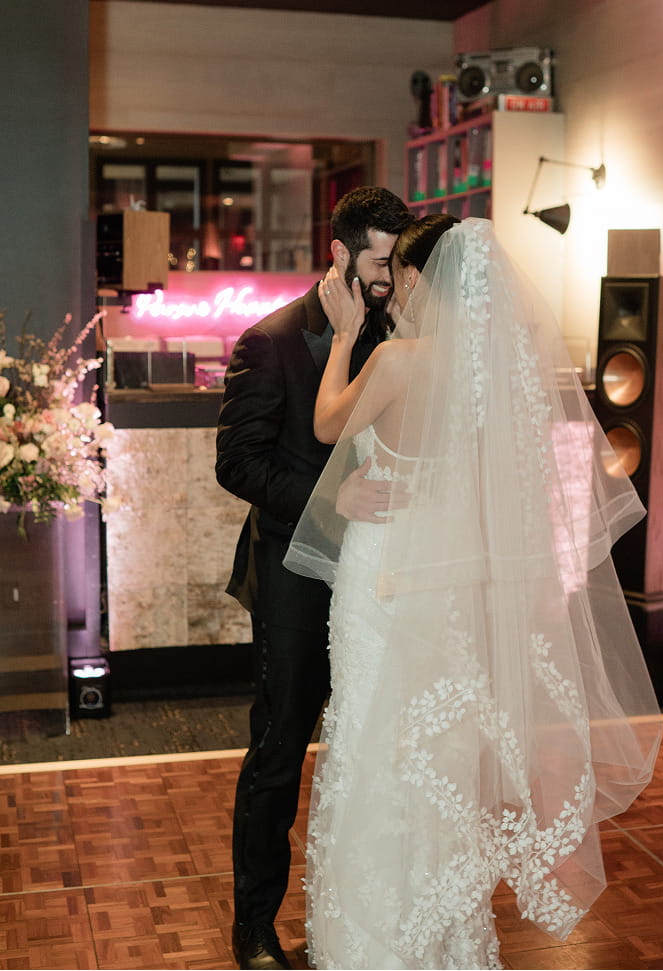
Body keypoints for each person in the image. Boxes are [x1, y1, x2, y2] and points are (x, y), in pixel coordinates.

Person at [284, 215, 663, 969]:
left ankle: (376, 939)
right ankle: (442, 934)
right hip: (452, 581)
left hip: (384, 568)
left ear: (427, 280)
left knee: (372, 740)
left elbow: (329, 424)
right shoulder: (496, 374)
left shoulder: (395, 358)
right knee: (439, 750)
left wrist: (344, 336)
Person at [216, 186, 415, 970]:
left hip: (378, 583)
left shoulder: (402, 333)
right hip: (296, 581)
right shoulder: (268, 341)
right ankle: (255, 928)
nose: (389, 279)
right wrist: (336, 498)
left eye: (398, 264)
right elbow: (238, 463)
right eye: (377, 262)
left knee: (372, 747)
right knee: (280, 747)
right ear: (339, 253)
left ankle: (355, 921)